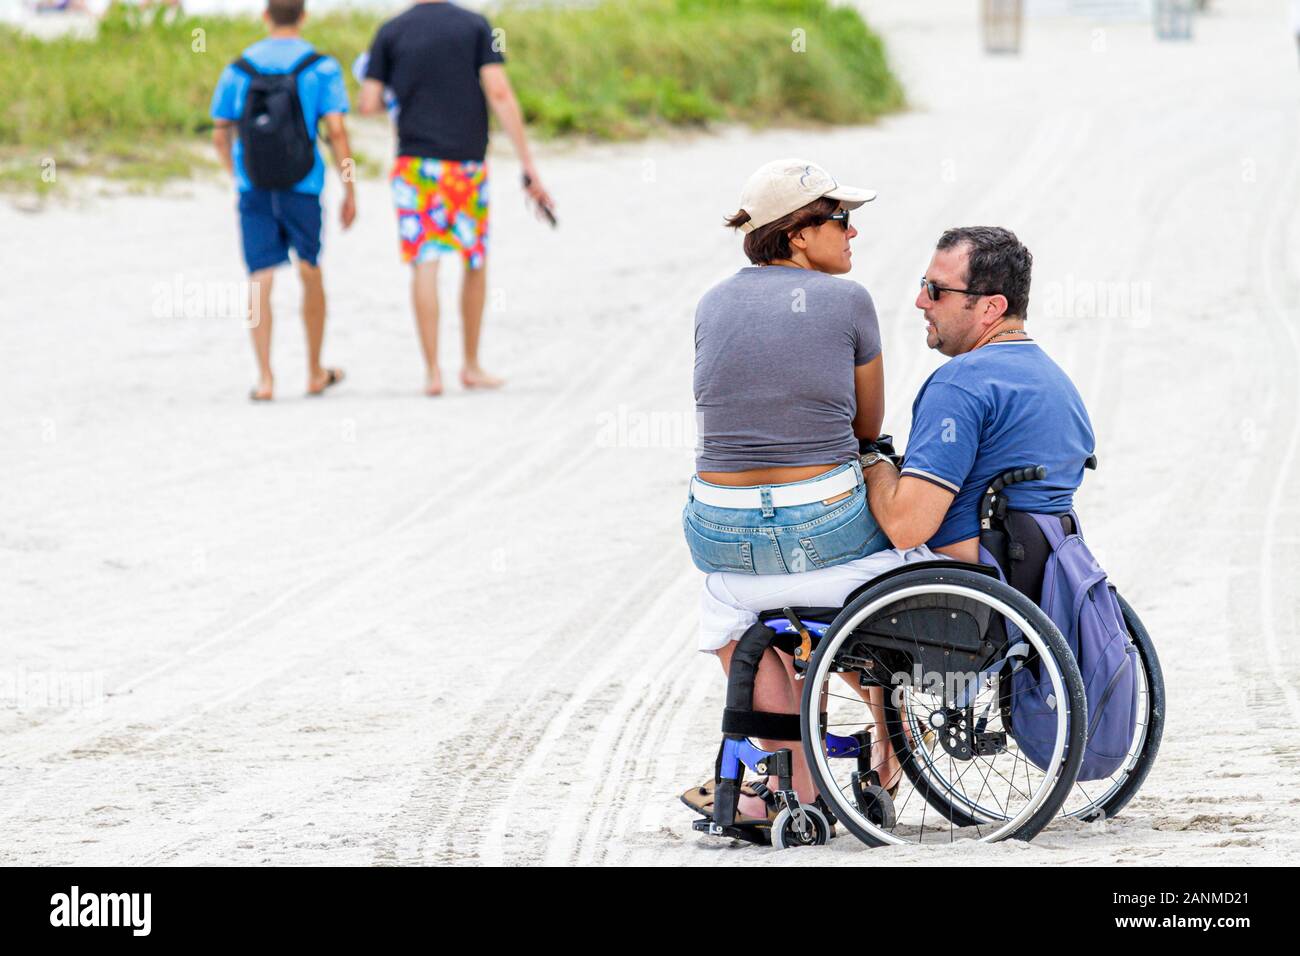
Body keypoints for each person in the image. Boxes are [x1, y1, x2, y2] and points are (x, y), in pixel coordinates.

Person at [689, 225, 1097, 828]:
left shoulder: (959, 385)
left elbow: (907, 524)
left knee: (748, 602)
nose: (919, 302)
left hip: (958, 588)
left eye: (935, 290)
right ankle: (874, 760)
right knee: (835, 606)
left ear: (990, 307)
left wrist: (875, 459)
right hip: (1028, 577)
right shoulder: (1054, 381)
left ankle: (796, 785)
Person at [681, 158, 898, 824]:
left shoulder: (712, 302)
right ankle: (891, 751)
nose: (853, 232)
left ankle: (792, 781)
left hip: (719, 530)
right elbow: (868, 427)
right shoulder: (849, 302)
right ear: (797, 235)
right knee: (900, 570)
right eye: (841, 219)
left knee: (736, 612)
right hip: (821, 526)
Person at [359, 0, 554, 396]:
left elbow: (368, 104)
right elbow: (498, 91)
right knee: (473, 259)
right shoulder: (475, 26)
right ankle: (471, 364)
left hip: (415, 167)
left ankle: (432, 372)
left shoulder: (390, 32)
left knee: (424, 262)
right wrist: (527, 163)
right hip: (465, 166)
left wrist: (397, 94)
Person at [211, 0, 354, 403]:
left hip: (253, 185)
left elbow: (221, 134)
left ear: (265, 16)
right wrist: (350, 186)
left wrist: (234, 173)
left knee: (260, 276)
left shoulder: (238, 69)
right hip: (303, 184)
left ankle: (266, 378)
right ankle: (313, 370)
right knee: (309, 268)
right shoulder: (321, 67)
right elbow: (338, 132)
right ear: (303, 16)